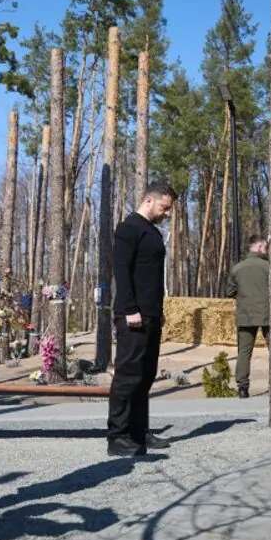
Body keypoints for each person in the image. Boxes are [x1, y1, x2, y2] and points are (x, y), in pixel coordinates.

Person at [107, 180, 177, 456]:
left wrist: (157, 313)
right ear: (149, 200)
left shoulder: (153, 232)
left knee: (145, 375)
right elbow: (121, 272)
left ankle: (139, 432)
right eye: (165, 207)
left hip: (150, 313)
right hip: (132, 315)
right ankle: (118, 436)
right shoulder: (128, 229)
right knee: (127, 375)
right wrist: (128, 309)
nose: (167, 213)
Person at [225, 234, 269, 399]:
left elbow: (229, 292)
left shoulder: (237, 268)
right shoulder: (269, 267)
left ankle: (242, 388)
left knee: (244, 353)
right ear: (258, 247)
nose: (266, 250)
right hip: (268, 315)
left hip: (245, 316)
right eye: (265, 247)